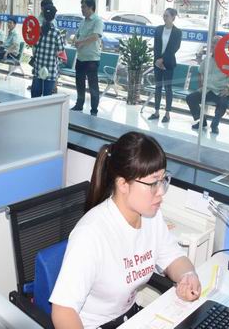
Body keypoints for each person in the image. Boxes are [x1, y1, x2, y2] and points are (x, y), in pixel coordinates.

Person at [50, 132, 201, 329]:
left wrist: (188, 275)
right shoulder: (90, 234)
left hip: (131, 317)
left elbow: (173, 257)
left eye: (163, 180)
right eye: (153, 183)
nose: (161, 192)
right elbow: (63, 311)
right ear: (123, 184)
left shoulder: (151, 217)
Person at [186, 36, 229, 135]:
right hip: (207, 90)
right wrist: (201, 85)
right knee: (190, 98)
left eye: (216, 43)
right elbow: (200, 72)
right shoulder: (208, 58)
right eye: (212, 43)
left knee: (222, 104)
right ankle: (202, 121)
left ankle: (215, 125)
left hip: (221, 91)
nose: (212, 45)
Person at [149, 8, 182, 123]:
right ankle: (156, 112)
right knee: (158, 87)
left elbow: (175, 48)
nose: (164, 18)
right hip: (157, 63)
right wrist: (157, 61)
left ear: (173, 17)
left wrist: (162, 60)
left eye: (167, 16)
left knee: (168, 88)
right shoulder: (158, 29)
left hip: (168, 63)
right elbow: (156, 46)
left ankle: (167, 114)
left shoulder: (177, 32)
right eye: (164, 15)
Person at [71, 0, 104, 116]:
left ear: (91, 7)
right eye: (81, 7)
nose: (82, 9)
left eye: (84, 7)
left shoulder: (97, 21)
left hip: (92, 59)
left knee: (93, 86)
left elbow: (95, 37)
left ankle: (94, 110)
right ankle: (79, 105)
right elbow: (77, 34)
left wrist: (81, 42)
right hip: (80, 57)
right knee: (79, 83)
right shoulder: (83, 21)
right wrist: (75, 40)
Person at [31, 3, 65, 97]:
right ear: (54, 16)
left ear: (43, 15)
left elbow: (33, 45)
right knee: (47, 96)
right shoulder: (56, 33)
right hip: (50, 68)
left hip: (38, 66)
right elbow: (61, 50)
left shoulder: (38, 30)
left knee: (35, 95)